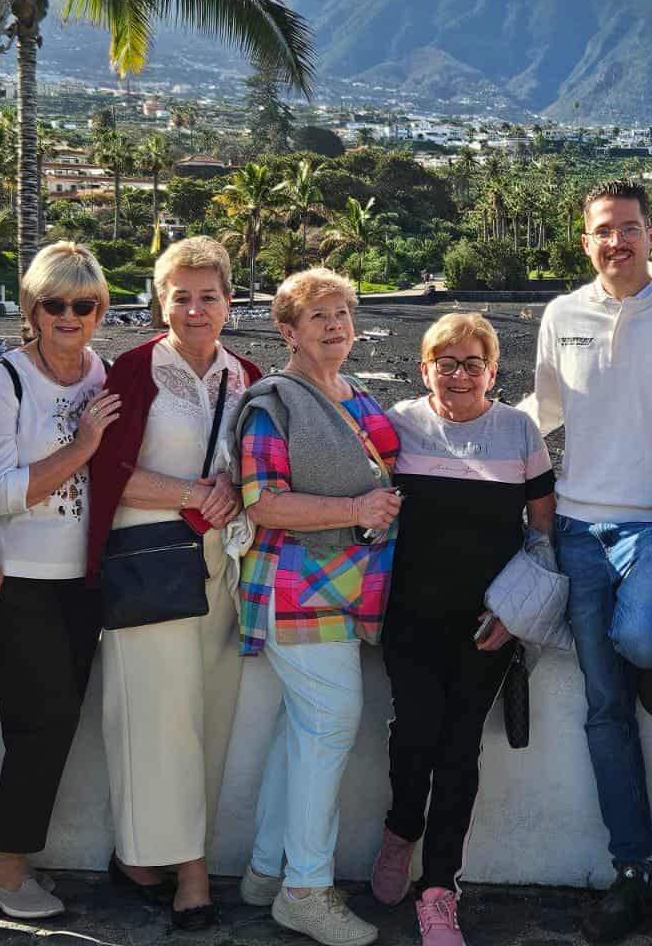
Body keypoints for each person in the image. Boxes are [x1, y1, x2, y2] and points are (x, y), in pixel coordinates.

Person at [518, 178, 652, 942]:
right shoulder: (561, 315)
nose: (616, 241)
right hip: (575, 527)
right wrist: (456, 439)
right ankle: (632, 870)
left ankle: (651, 672)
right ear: (586, 241)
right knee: (603, 709)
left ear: (651, 233)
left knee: (642, 641)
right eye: (603, 230)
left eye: (629, 227)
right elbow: (542, 414)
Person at [86, 237, 262, 931]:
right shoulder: (133, 371)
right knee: (158, 720)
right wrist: (195, 494)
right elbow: (104, 471)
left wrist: (233, 494)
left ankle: (140, 859)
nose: (194, 309)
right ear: (160, 301)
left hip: (221, 567)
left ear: (228, 301)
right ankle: (191, 873)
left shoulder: (247, 375)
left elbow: (262, 469)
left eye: (208, 296)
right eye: (180, 296)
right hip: (149, 563)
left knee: (209, 718)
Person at [369, 314, 556, 946]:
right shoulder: (398, 424)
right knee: (413, 732)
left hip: (487, 626)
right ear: (425, 369)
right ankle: (401, 829)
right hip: (410, 617)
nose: (459, 375)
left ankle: (439, 890)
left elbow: (542, 532)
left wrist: (515, 615)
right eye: (445, 363)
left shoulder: (519, 430)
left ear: (492, 372)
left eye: (472, 363)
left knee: (458, 751)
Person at [233, 267, 402, 946]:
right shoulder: (273, 404)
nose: (335, 326)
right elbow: (263, 502)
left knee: (302, 731)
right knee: (330, 724)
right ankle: (304, 890)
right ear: (288, 331)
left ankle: (264, 871)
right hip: (297, 587)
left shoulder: (356, 394)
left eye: (342, 313)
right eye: (318, 317)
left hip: (347, 584)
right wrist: (357, 509)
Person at [0, 242, 119, 918]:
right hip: (19, 583)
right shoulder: (6, 380)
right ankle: (5, 873)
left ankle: (9, 858)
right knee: (43, 722)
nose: (69, 316)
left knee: (56, 724)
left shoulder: (102, 374)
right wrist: (81, 447)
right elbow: (0, 493)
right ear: (31, 309)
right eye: (54, 303)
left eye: (83, 304)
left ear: (100, 311)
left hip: (82, 581)